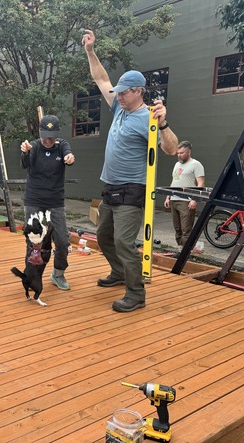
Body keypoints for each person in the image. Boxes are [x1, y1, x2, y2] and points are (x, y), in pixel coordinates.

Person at [82, 29, 179, 312]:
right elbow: (101, 78)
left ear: (138, 91)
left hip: (133, 188)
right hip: (110, 186)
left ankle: (136, 295)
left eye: (124, 93)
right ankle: (119, 273)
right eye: (119, 93)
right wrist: (90, 51)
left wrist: (163, 124)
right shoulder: (119, 109)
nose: (119, 96)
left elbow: (171, 149)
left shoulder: (148, 117)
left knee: (124, 242)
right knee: (102, 237)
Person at [20, 115, 76, 290]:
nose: (48, 139)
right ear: (40, 133)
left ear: (57, 133)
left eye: (52, 135)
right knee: (34, 241)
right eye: (45, 134)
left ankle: (58, 274)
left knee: (62, 240)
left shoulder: (62, 146)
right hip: (34, 200)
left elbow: (69, 154)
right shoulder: (34, 146)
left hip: (55, 202)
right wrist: (25, 151)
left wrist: (70, 157)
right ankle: (31, 277)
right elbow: (25, 164)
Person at [164, 141, 205, 256]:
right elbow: (174, 181)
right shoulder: (177, 164)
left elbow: (200, 183)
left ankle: (185, 253)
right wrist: (168, 197)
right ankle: (180, 249)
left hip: (186, 201)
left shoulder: (196, 164)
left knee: (186, 229)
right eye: (178, 153)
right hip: (174, 199)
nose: (179, 155)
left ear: (189, 152)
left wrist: (194, 199)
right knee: (177, 228)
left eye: (182, 153)